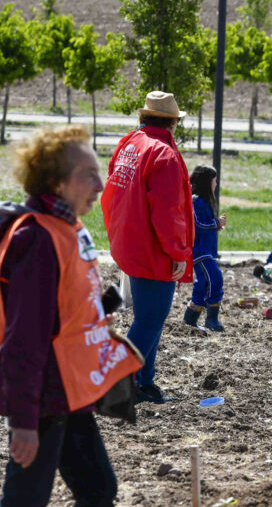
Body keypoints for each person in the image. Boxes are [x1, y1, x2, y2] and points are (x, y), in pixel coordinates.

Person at [0, 125, 142, 506]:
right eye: (89, 175)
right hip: (43, 398)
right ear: (55, 181)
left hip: (69, 390)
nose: (101, 185)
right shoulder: (35, 240)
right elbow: (24, 338)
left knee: (99, 488)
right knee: (25, 500)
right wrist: (23, 422)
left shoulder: (66, 228)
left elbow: (61, 309)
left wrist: (95, 312)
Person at [102, 91, 193, 404]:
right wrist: (178, 253)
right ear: (171, 123)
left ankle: (144, 382)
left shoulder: (130, 144)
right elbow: (169, 213)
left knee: (147, 317)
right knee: (150, 319)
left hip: (129, 241)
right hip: (153, 249)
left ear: (144, 117)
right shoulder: (163, 154)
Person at [182, 166, 227, 332]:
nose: (216, 184)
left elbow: (204, 224)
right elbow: (198, 224)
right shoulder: (196, 201)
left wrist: (215, 225)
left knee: (203, 283)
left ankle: (190, 318)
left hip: (207, 250)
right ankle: (212, 319)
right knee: (215, 278)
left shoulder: (203, 202)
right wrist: (216, 223)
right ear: (207, 182)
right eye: (214, 181)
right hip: (200, 252)